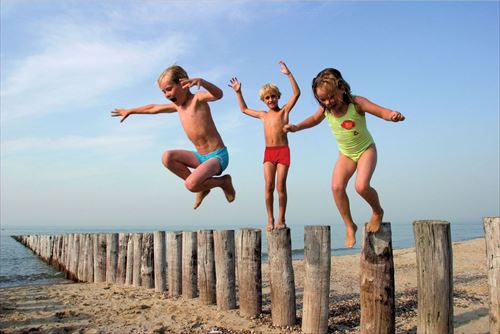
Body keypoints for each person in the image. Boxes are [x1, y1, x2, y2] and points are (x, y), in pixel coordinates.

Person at [284, 68, 404, 247]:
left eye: (331, 97)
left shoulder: (356, 103)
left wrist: (392, 115)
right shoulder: (326, 109)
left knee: (361, 186)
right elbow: (313, 120)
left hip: (365, 150)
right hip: (346, 154)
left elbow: (380, 111)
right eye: (322, 99)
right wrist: (297, 127)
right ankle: (349, 225)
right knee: (336, 187)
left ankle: (377, 211)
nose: (328, 102)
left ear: (341, 88)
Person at [112, 65, 235, 209]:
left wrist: (204, 82)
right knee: (167, 157)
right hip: (201, 158)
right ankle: (202, 187)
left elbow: (218, 95)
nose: (167, 95)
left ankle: (223, 182)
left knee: (190, 184)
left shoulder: (198, 99)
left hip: (217, 157)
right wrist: (130, 110)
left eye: (169, 89)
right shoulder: (178, 107)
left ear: (183, 84)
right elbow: (154, 108)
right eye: (163, 92)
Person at [229, 61, 300, 231]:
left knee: (280, 186)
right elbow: (244, 109)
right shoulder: (262, 115)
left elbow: (297, 93)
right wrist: (239, 92)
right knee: (268, 186)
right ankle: (270, 218)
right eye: (267, 97)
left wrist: (289, 74)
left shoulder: (284, 111)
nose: (270, 100)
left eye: (273, 96)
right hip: (269, 152)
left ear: (278, 96)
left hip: (283, 151)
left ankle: (281, 219)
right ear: (263, 100)